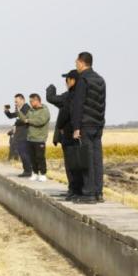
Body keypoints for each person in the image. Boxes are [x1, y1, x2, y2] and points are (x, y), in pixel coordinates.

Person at [71, 52, 106, 204]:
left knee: (87, 159)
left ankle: (88, 193)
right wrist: (101, 123)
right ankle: (98, 192)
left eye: (76, 62)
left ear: (81, 62)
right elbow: (102, 103)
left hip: (85, 124)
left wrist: (76, 127)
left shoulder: (83, 80)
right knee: (97, 159)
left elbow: (78, 105)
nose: (75, 64)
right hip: (98, 124)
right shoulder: (100, 79)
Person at [46, 70, 83, 199]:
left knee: (71, 165)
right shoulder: (81, 95)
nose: (66, 83)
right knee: (77, 164)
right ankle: (74, 189)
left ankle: (74, 190)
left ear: (72, 81)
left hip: (69, 135)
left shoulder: (69, 96)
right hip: (78, 134)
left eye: (67, 80)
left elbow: (51, 98)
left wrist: (51, 89)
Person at [18, 94, 50, 181]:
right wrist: (19, 111)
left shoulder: (44, 110)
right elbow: (25, 119)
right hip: (30, 138)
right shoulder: (31, 111)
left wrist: (29, 121)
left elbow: (40, 121)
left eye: (31, 101)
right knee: (32, 157)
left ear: (37, 100)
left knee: (40, 157)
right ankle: (35, 173)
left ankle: (43, 174)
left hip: (40, 138)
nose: (30, 103)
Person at [4, 94, 32, 177]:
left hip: (24, 134)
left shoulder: (26, 108)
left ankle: (28, 171)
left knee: (24, 153)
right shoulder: (19, 109)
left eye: (17, 101)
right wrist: (6, 111)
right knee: (22, 153)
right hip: (19, 135)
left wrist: (16, 122)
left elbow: (24, 120)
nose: (15, 103)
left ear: (22, 100)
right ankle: (27, 170)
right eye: (15, 102)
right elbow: (11, 116)